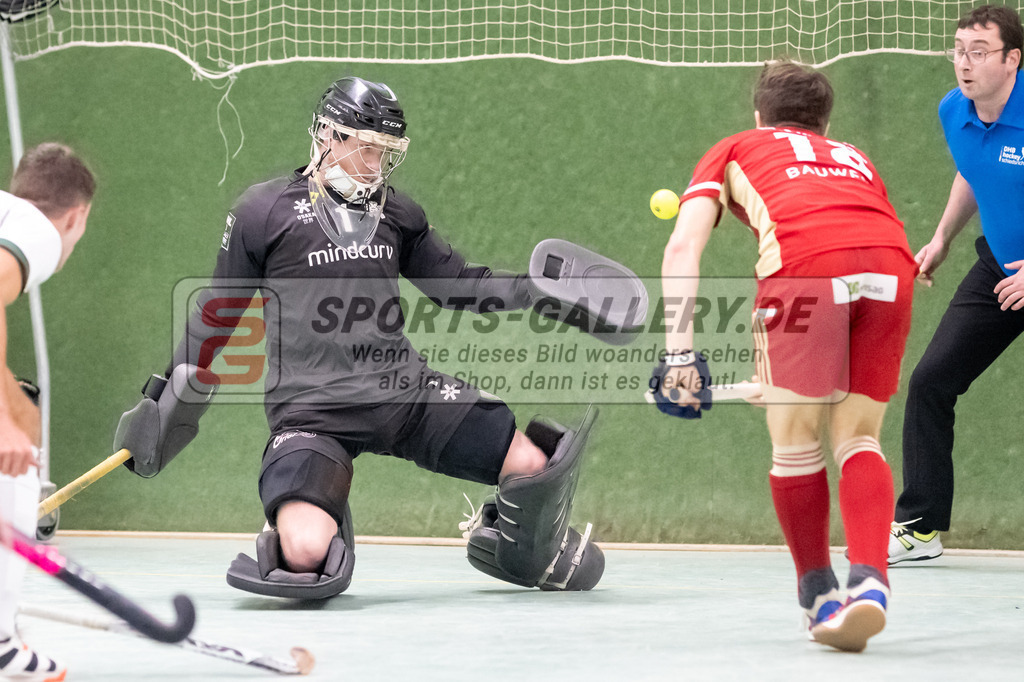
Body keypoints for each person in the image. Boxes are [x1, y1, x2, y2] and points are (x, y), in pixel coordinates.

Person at [114, 76, 606, 598]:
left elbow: (459, 286)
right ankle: (311, 506)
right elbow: (217, 314)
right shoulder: (263, 212)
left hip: (407, 394)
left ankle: (509, 545)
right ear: (327, 134)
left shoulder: (397, 212)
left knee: (532, 466)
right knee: (304, 556)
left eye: (385, 152)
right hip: (312, 412)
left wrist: (538, 292)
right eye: (366, 148)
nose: (375, 165)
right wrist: (162, 396)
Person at [656, 61, 916, 652]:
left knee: (796, 441)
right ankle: (870, 582)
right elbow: (863, 230)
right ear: (825, 121)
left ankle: (820, 595)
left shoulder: (734, 147)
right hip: (890, 268)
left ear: (758, 116)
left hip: (807, 270)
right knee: (858, 438)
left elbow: (683, 245)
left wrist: (679, 356)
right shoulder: (853, 156)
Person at [889, 4, 1024, 565]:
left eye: (979, 52)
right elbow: (973, 168)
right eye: (958, 50)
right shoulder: (954, 110)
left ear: (1012, 59)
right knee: (930, 381)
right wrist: (943, 236)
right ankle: (919, 528)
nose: (964, 63)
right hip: (1000, 268)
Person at [0, 143, 95, 682]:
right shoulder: (36, 228)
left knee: (20, 414)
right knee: (16, 449)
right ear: (76, 216)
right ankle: (2, 647)